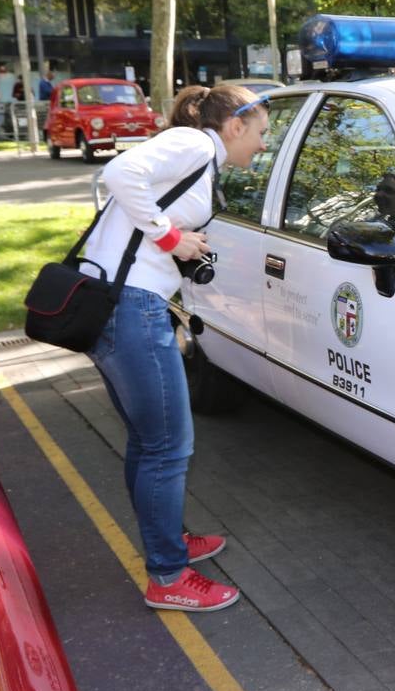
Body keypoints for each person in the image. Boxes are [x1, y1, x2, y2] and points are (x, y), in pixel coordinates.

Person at [82, 84, 268, 612]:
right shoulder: (195, 143)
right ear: (235, 125)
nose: (260, 146)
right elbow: (118, 174)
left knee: (149, 442)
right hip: (131, 309)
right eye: (259, 134)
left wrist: (175, 241)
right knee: (168, 446)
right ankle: (168, 575)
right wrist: (169, 238)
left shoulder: (199, 156)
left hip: (126, 304)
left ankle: (168, 541)